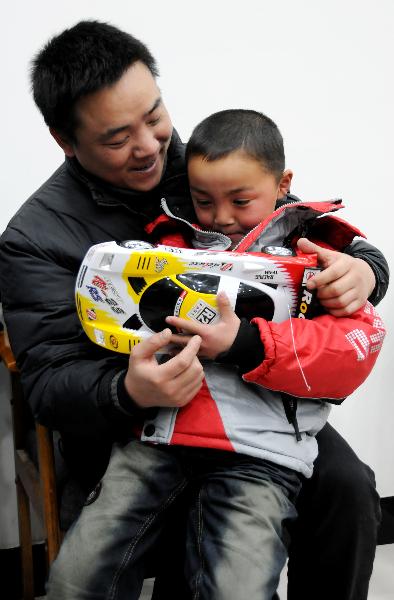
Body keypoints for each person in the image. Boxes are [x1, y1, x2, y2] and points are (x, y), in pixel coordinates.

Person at [0, 20, 388, 600]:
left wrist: (366, 268)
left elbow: (303, 226)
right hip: (129, 421)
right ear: (65, 140)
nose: (152, 146)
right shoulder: (33, 237)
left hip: (256, 391)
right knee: (110, 557)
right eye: (118, 138)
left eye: (155, 116)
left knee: (350, 489)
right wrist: (130, 391)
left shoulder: (203, 165)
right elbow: (51, 384)